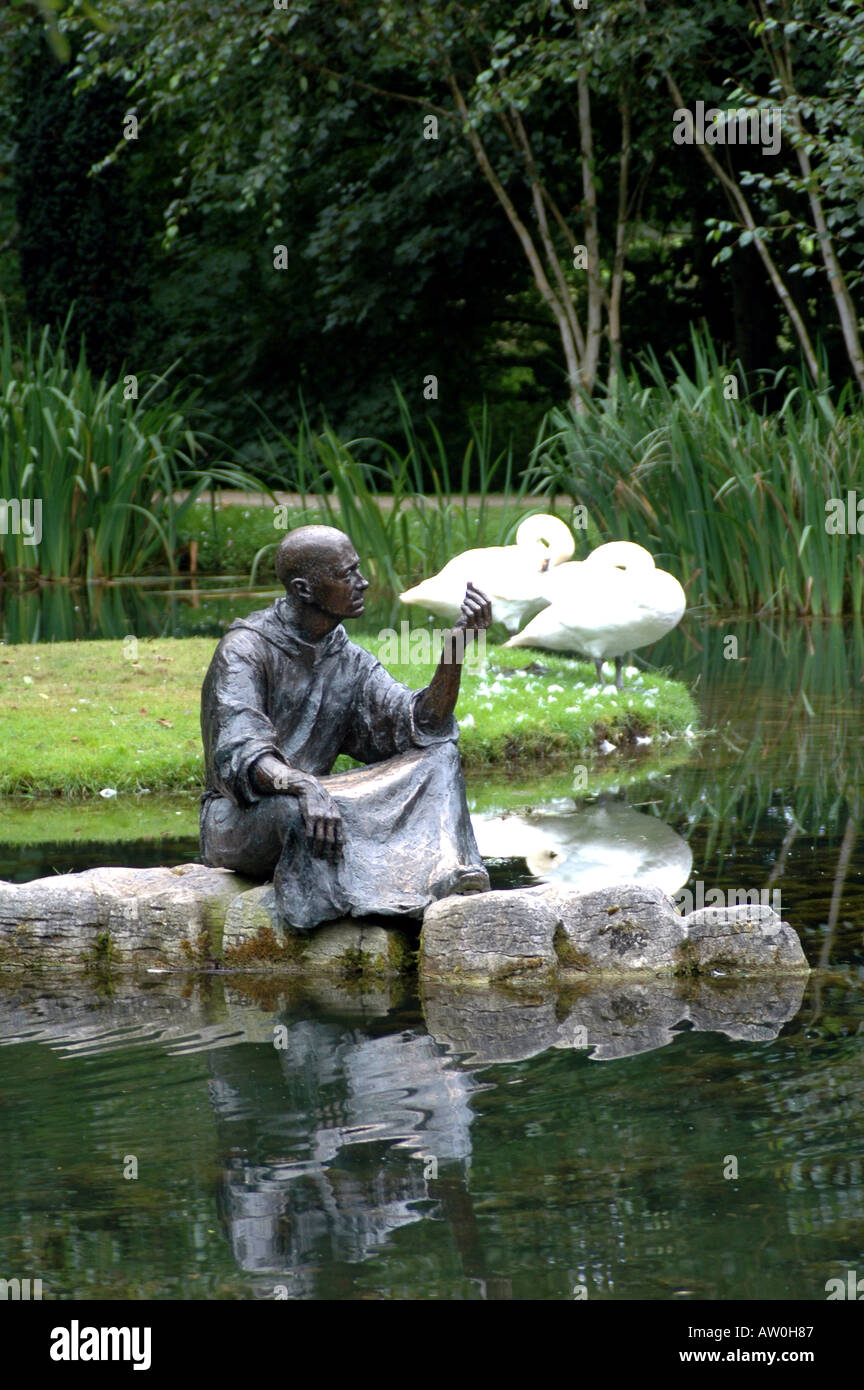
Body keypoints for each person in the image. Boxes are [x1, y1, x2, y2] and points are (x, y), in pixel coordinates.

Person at [199, 524, 491, 930]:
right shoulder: (245, 650)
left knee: (440, 756)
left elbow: (420, 724)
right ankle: (344, 903)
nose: (363, 582)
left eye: (358, 570)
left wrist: (455, 648)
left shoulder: (347, 657)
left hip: (322, 800)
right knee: (293, 812)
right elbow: (240, 752)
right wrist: (302, 786)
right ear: (304, 590)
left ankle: (449, 871)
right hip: (244, 815)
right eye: (347, 574)